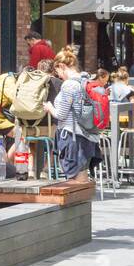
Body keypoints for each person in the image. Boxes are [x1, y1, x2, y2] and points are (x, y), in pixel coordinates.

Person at [44, 49, 98, 181]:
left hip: (72, 136)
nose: (59, 76)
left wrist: (50, 107)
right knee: (82, 173)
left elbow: (61, 114)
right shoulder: (86, 79)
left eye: (58, 72)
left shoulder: (69, 85)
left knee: (75, 179)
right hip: (88, 134)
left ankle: (78, 202)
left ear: (62, 66)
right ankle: (83, 201)